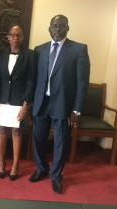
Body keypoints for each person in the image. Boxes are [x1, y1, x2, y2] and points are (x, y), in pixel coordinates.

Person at [29, 15, 90, 193]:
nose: (57, 29)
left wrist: (77, 110)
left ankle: (56, 176)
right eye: (54, 25)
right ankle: (41, 169)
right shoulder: (39, 50)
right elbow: (35, 80)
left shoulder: (79, 50)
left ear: (67, 28)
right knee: (38, 139)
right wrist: (31, 102)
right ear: (49, 28)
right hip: (42, 103)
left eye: (61, 26)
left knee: (60, 142)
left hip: (64, 105)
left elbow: (82, 84)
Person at [0, 25, 36, 181]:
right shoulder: (0, 53)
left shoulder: (30, 55)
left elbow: (31, 82)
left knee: (16, 132)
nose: (15, 38)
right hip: (1, 98)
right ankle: (1, 163)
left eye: (18, 35)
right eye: (12, 35)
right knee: (2, 130)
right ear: (8, 37)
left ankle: (15, 165)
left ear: (22, 37)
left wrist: (26, 105)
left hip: (18, 100)